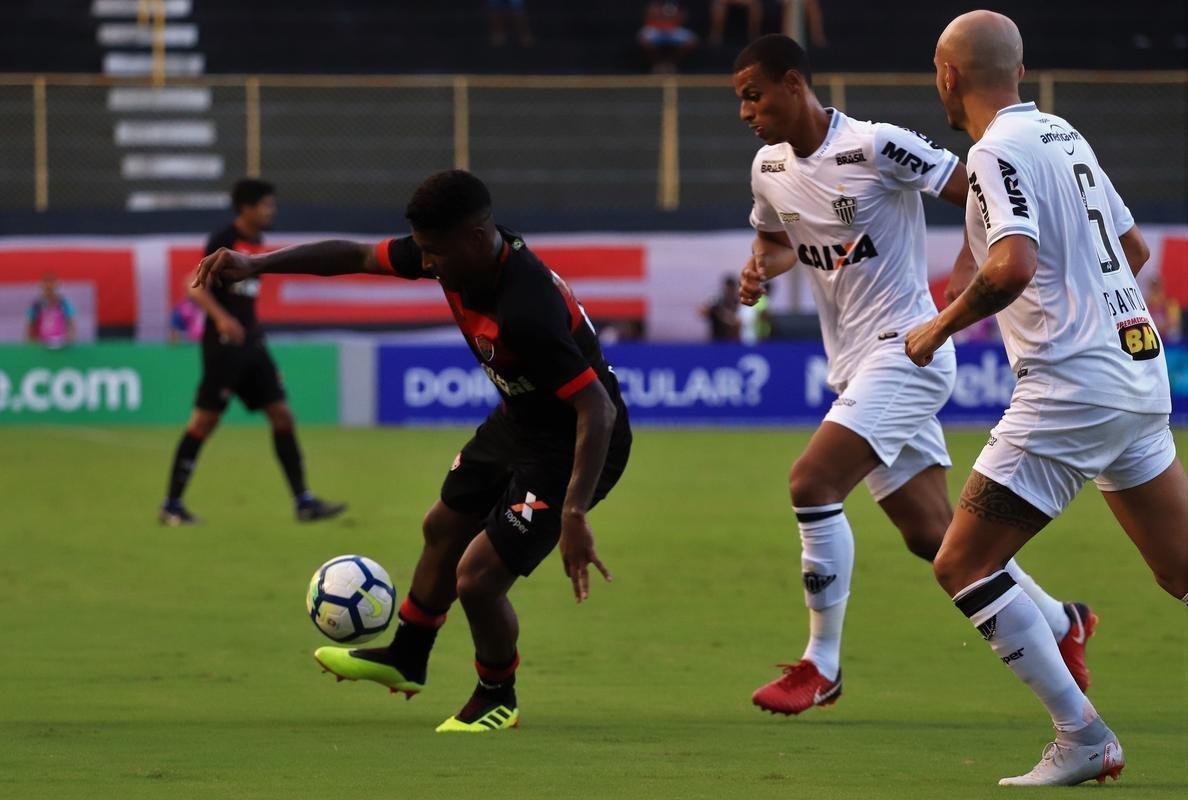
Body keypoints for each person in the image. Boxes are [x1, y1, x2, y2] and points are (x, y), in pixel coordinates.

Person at [194, 170, 633, 733]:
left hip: (573, 443)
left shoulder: (525, 306)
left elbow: (597, 409)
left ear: (475, 238)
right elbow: (353, 254)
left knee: (477, 578)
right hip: (521, 420)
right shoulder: (456, 253)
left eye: (432, 253)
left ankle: (497, 694)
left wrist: (573, 514)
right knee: (443, 525)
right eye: (421, 251)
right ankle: (407, 656)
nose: (424, 265)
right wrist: (257, 263)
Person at [732, 35, 1092, 717]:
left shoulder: (875, 146)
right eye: (740, 101)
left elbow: (978, 192)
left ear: (792, 83)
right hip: (854, 367)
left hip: (910, 348)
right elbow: (777, 242)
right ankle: (1062, 620)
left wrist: (964, 277)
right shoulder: (767, 167)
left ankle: (822, 664)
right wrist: (762, 268)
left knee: (811, 482)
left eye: (753, 95)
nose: (747, 111)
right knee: (935, 537)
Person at [904, 11, 1188, 786]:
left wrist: (937, 327)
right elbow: (1131, 250)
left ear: (948, 76)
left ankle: (1082, 736)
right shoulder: (1066, 136)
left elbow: (1012, 267)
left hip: (1073, 387)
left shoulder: (993, 153)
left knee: (960, 561)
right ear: (1019, 73)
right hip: (1138, 371)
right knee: (1180, 571)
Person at [158, 178, 345, 526]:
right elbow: (192, 286)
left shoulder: (257, 242)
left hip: (252, 344)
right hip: (224, 347)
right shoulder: (224, 240)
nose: (271, 211)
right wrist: (223, 318)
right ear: (247, 208)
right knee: (204, 420)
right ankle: (171, 504)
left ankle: (304, 501)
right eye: (266, 205)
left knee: (282, 415)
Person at [638, 1, 698, 73]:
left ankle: (671, 64)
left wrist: (672, 17)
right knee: (643, 39)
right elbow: (648, 15)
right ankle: (658, 64)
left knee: (692, 40)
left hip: (673, 29)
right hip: (655, 28)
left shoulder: (676, 3)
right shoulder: (655, 3)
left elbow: (683, 16)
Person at [26, 274, 75, 348]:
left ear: (57, 285)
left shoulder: (64, 303)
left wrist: (70, 338)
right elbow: (30, 325)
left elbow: (71, 323)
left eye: (52, 283)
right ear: (42, 285)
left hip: (60, 345)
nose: (49, 286)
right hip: (40, 345)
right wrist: (31, 343)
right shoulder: (36, 305)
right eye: (46, 283)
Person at [703, 275, 742, 341]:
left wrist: (727, 317)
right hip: (717, 338)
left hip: (733, 339)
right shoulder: (717, 300)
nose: (729, 291)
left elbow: (738, 322)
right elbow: (702, 312)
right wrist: (716, 312)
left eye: (731, 288)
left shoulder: (738, 302)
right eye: (728, 288)